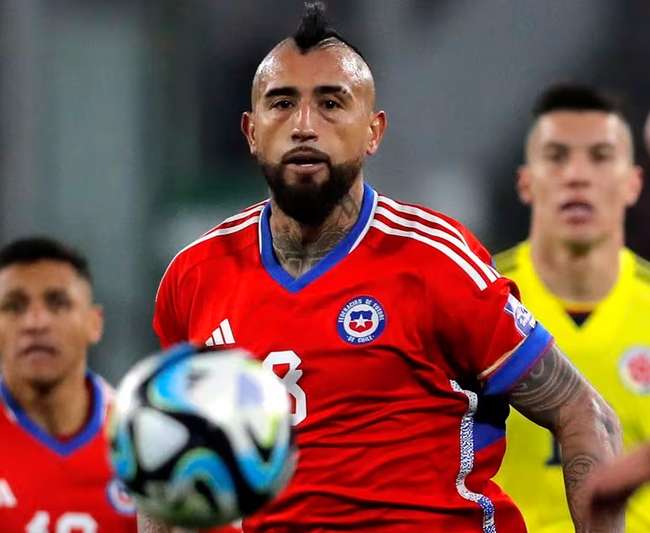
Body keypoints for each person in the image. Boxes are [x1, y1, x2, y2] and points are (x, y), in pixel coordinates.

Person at [146, 3, 623, 532]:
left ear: (373, 132)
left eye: (332, 103)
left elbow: (585, 413)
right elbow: (164, 453)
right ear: (251, 130)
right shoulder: (195, 277)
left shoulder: (435, 262)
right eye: (281, 103)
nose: (304, 125)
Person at [494, 84, 650, 532]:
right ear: (526, 181)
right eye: (557, 157)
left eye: (600, 157)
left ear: (633, 182)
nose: (577, 176)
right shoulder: (480, 300)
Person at [0, 237, 138, 530]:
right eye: (14, 306)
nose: (35, 322)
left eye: (57, 303)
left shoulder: (145, 440)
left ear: (94, 323)